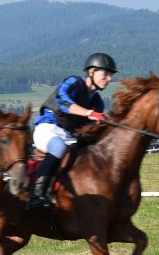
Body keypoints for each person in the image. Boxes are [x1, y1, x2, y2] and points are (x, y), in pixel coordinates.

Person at [27, 52, 116, 210]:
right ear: (92, 72)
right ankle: (36, 194)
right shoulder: (73, 82)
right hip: (48, 127)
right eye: (106, 74)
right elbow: (62, 101)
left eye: (110, 75)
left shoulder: (97, 102)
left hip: (69, 136)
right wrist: (89, 113)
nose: (109, 79)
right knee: (59, 147)